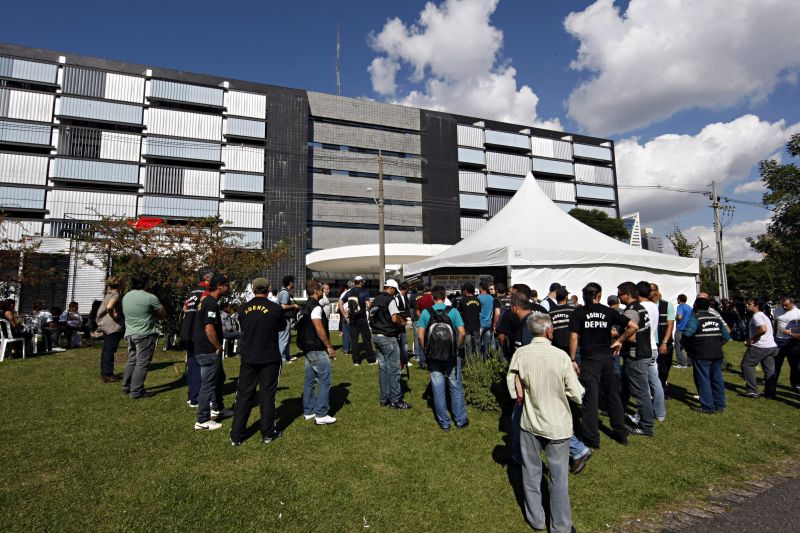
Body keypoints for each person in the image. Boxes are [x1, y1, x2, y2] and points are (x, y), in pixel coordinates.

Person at [509, 313, 584, 533]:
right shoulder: (561, 357)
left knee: (530, 472)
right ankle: (560, 526)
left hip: (530, 421)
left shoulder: (520, 354)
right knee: (559, 477)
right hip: (557, 424)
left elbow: (513, 387)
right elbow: (577, 394)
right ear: (549, 331)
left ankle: (536, 519)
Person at [569, 282, 638, 447]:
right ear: (599, 295)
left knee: (590, 399)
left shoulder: (579, 312)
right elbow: (634, 326)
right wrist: (619, 341)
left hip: (590, 359)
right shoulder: (608, 311)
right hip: (607, 359)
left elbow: (573, 337)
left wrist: (572, 359)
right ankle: (621, 433)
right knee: (613, 396)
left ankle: (592, 439)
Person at [230, 278, 285, 445]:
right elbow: (281, 326)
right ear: (268, 289)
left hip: (249, 356)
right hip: (269, 356)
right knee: (267, 395)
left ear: (253, 290)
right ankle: (267, 433)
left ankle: (236, 435)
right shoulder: (275, 308)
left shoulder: (243, 308)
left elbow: (242, 325)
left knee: (244, 395)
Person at [417, 285, 467, 429]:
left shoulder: (426, 313)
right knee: (455, 386)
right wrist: (457, 348)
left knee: (437, 387)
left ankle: (444, 422)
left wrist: (425, 350)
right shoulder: (454, 312)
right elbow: (462, 333)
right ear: (445, 297)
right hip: (451, 354)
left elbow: (420, 335)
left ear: (432, 297)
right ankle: (460, 420)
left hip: (433, 355)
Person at [193, 274, 234, 430]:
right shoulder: (211, 304)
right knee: (208, 385)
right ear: (219, 286)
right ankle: (202, 420)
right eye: (226, 285)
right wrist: (218, 346)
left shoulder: (205, 302)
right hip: (208, 349)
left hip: (203, 348)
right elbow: (209, 328)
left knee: (219, 378)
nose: (228, 287)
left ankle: (218, 408)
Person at [617, 282, 656, 437]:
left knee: (641, 393)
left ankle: (646, 427)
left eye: (620, 294)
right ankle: (617, 411)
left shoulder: (632, 311)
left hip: (636, 355)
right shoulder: (641, 307)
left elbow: (631, 336)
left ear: (627, 294)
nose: (619, 297)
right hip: (642, 352)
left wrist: (616, 336)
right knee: (626, 386)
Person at [681, 296, 731, 413]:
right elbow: (726, 337)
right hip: (717, 353)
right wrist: (717, 344)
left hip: (701, 353)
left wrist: (688, 346)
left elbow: (687, 334)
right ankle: (720, 404)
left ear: (696, 306)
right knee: (717, 379)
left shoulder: (696, 319)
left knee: (703, 379)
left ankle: (708, 406)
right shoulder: (716, 319)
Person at [121, 273, 165, 399]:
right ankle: (136, 391)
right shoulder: (150, 297)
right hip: (145, 333)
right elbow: (162, 313)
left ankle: (127, 386)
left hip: (130, 332)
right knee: (142, 363)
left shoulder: (126, 296)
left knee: (132, 360)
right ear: (146, 283)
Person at [300, 279, 337, 425]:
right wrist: (329, 346)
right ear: (316, 291)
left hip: (308, 348)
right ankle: (321, 414)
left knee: (309, 381)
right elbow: (318, 328)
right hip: (316, 348)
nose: (323, 292)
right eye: (322, 290)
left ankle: (309, 411)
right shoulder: (316, 307)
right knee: (325, 380)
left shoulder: (305, 306)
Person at [371, 280, 411, 409]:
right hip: (388, 337)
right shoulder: (390, 299)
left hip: (376, 336)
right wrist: (402, 323)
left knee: (383, 369)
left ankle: (384, 398)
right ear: (393, 289)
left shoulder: (375, 300)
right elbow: (394, 318)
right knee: (394, 369)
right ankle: (396, 400)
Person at [179, 271, 211, 409]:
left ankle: (192, 395)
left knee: (192, 363)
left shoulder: (192, 292)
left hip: (187, 330)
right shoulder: (205, 292)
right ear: (208, 279)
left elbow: (184, 308)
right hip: (198, 331)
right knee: (201, 365)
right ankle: (197, 398)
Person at [637, 282, 667, 421]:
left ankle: (643, 415)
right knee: (655, 382)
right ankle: (660, 413)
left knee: (642, 385)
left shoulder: (640, 307)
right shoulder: (655, 306)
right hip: (652, 346)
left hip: (643, 347)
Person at [741, 298, 778, 399]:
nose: (747, 306)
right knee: (769, 370)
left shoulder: (757, 316)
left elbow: (763, 329)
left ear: (756, 306)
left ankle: (752, 390)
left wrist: (751, 339)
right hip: (771, 346)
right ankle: (770, 393)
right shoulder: (764, 316)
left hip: (760, 346)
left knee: (746, 365)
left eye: (749, 304)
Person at [339, 276, 376, 366]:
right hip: (362, 319)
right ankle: (371, 360)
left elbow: (340, 303)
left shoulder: (348, 292)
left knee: (354, 340)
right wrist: (371, 307)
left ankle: (356, 361)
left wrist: (345, 315)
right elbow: (368, 305)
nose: (363, 283)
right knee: (366, 339)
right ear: (360, 282)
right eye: (363, 282)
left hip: (352, 319)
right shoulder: (365, 292)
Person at [96, 276, 124, 383]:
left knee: (106, 349)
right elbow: (109, 307)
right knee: (110, 350)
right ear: (120, 285)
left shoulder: (109, 293)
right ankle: (108, 374)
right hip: (112, 326)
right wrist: (113, 315)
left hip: (106, 325)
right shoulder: (115, 295)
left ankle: (104, 372)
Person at [650, 283, 675, 396]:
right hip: (650, 342)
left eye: (649, 290)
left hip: (663, 341)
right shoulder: (645, 304)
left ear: (656, 292)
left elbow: (670, 325)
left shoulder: (667, 305)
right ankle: (654, 390)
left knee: (664, 368)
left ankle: (662, 388)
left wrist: (664, 342)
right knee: (651, 369)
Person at [772, 296, 800, 393]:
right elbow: (775, 323)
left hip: (792, 342)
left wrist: (790, 334)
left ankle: (796, 384)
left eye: (786, 305)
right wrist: (773, 336)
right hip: (778, 341)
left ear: (792, 303)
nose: (783, 307)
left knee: (795, 366)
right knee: (775, 365)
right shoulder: (777, 310)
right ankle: (772, 385)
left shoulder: (798, 313)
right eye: (782, 304)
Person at [277, 275, 299, 364]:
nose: (294, 283)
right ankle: (282, 358)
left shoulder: (283, 292)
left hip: (283, 318)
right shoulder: (285, 293)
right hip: (284, 319)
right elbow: (283, 306)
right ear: (290, 282)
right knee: (284, 338)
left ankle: (287, 356)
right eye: (293, 282)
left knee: (287, 338)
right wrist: (294, 306)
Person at [458, 283, 482, 358]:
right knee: (477, 345)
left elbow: (459, 312)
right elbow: (479, 311)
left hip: (466, 326)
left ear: (465, 291)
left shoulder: (462, 301)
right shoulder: (477, 300)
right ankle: (478, 362)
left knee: (468, 346)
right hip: (476, 325)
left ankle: (469, 364)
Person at [413, 285, 434, 369]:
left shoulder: (421, 299)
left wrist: (422, 318)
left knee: (421, 341)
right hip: (432, 322)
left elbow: (417, 310)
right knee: (431, 341)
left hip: (423, 322)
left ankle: (422, 362)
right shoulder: (434, 298)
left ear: (425, 290)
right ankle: (431, 360)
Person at [478, 282, 500, 361]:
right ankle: (486, 361)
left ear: (481, 288)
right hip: (488, 324)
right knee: (487, 345)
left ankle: (479, 362)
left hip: (480, 324)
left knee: (478, 345)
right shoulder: (492, 298)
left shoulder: (479, 298)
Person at [395, 281, 412, 368]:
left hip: (403, 324)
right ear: (405, 289)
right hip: (398, 325)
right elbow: (395, 312)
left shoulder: (404, 297)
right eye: (408, 289)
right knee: (401, 343)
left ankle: (404, 360)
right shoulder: (397, 298)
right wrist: (401, 321)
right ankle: (402, 360)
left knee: (404, 343)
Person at [674, 294, 693, 368]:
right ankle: (690, 362)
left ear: (679, 299)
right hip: (688, 329)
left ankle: (682, 363)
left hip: (680, 329)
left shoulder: (680, 306)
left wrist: (675, 317)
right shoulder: (689, 307)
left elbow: (679, 317)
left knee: (678, 346)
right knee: (688, 346)